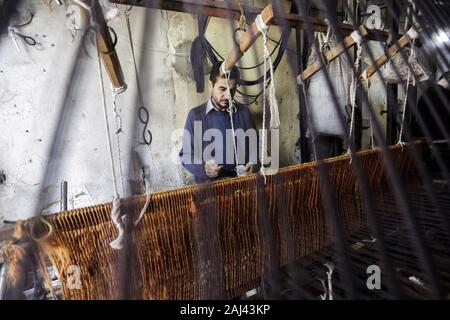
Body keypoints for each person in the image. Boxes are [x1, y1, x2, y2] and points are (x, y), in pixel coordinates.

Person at [179, 61, 259, 183]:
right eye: (222, 89)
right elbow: (185, 155)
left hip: (241, 187)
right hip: (209, 191)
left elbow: (255, 147)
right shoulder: (195, 116)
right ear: (210, 85)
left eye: (232, 90)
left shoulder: (244, 113)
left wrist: (253, 163)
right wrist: (203, 168)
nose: (228, 96)